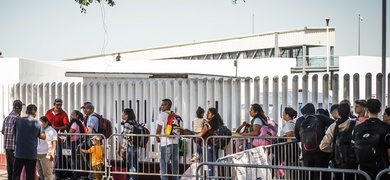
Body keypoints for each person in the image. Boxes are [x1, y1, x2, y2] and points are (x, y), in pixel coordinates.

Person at [352, 98, 390, 180]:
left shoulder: (358, 128)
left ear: (366, 109)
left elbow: (353, 146)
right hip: (381, 167)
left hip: (363, 167)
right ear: (380, 110)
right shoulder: (386, 127)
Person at [294, 103, 334, 180]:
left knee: (308, 173)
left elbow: (297, 137)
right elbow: (334, 123)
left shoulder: (299, 120)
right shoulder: (320, 117)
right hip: (320, 151)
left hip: (306, 152)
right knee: (319, 173)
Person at [320, 102, 358, 179]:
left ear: (338, 113)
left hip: (338, 163)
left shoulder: (333, 126)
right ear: (349, 112)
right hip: (353, 163)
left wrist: (334, 150)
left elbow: (323, 146)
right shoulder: (357, 124)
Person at [12, 104, 46, 180]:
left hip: (19, 152)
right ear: (35, 113)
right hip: (31, 153)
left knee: (16, 174)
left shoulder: (18, 121)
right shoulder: (39, 123)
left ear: (26, 111)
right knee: (30, 174)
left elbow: (13, 132)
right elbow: (43, 136)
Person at [155, 99, 179, 180]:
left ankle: (164, 179)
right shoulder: (174, 115)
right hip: (175, 142)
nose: (161, 106)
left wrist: (157, 137)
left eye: (163, 105)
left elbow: (159, 129)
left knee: (164, 164)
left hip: (165, 142)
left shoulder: (162, 115)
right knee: (175, 164)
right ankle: (175, 178)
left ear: (167, 106)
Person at [45, 98, 69, 178]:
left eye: (60, 105)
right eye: (57, 105)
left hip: (58, 137)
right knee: (48, 153)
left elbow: (66, 126)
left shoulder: (63, 114)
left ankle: (58, 172)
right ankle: (48, 170)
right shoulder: (48, 112)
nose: (59, 106)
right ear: (54, 104)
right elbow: (44, 122)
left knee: (58, 155)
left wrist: (57, 127)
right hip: (48, 137)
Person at [197, 107, 224, 178]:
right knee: (214, 163)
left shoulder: (209, 124)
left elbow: (200, 134)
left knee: (209, 164)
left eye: (208, 113)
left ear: (213, 115)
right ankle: (214, 177)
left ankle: (210, 177)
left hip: (207, 145)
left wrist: (195, 137)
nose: (207, 114)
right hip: (215, 145)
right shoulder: (219, 123)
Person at [2, 100, 23, 180]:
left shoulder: (7, 118)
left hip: (7, 146)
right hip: (16, 147)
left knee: (9, 167)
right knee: (16, 168)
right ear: (20, 109)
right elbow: (19, 133)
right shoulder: (18, 119)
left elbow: (3, 131)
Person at [67, 110, 87, 180]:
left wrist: (65, 135)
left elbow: (70, 132)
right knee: (74, 159)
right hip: (77, 141)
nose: (71, 116)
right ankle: (75, 174)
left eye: (72, 115)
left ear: (76, 116)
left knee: (73, 159)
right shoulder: (79, 122)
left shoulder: (75, 123)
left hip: (74, 142)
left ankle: (75, 175)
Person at [120, 108, 139, 180]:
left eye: (123, 114)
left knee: (131, 164)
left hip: (130, 146)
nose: (122, 115)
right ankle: (135, 177)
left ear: (127, 115)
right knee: (135, 163)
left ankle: (132, 178)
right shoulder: (135, 122)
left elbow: (125, 138)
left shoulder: (127, 124)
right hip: (136, 145)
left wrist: (123, 150)